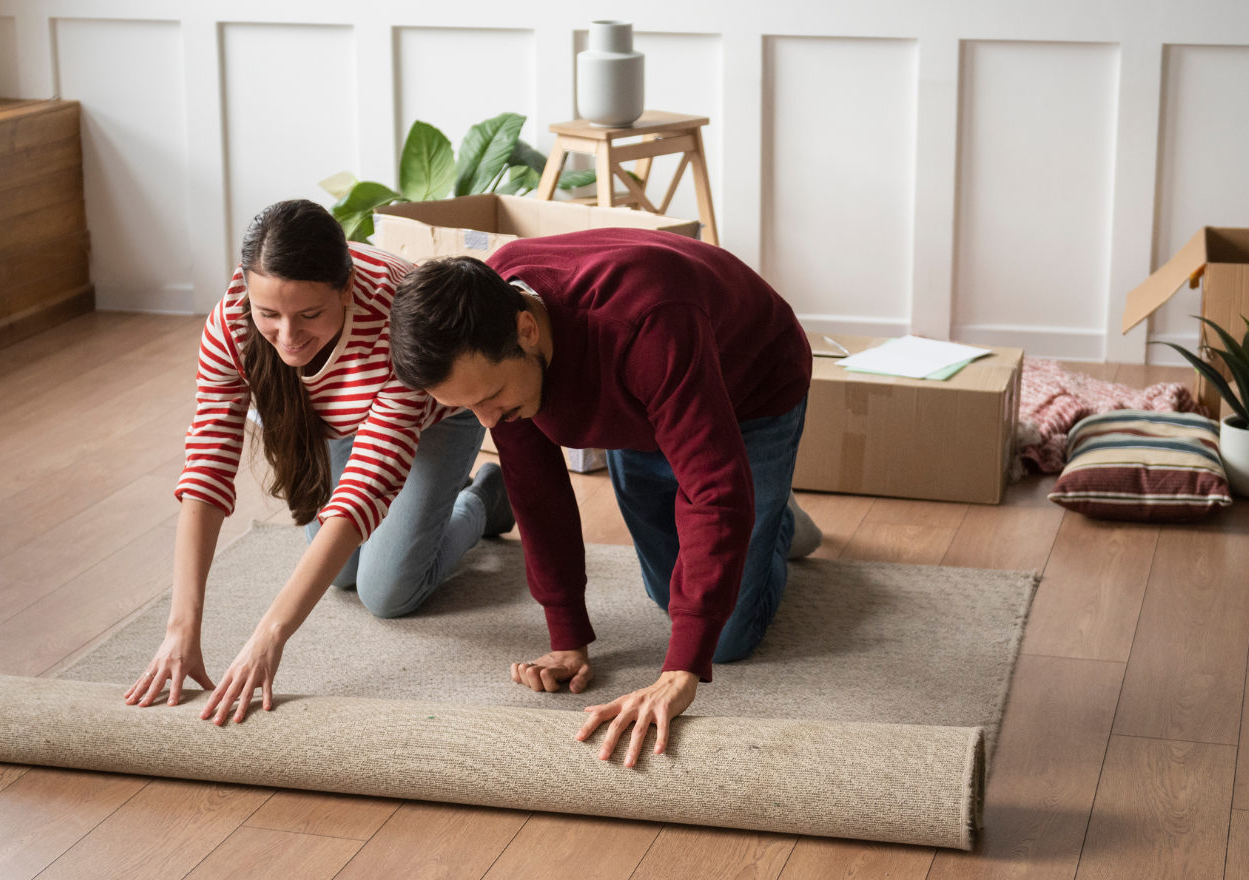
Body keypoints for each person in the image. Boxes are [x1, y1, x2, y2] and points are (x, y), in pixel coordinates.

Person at [387, 227, 814, 768]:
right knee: (671, 593)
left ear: (527, 330)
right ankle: (764, 506)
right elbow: (537, 491)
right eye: (470, 408)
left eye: (491, 398)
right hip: (640, 400)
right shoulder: (489, 330)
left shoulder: (647, 321)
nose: (488, 422)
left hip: (752, 385)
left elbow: (714, 490)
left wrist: (678, 673)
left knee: (723, 638)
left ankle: (771, 514)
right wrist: (566, 634)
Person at [124, 199, 513, 724]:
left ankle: (482, 498)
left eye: (310, 315)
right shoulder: (230, 325)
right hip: (339, 416)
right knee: (341, 574)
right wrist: (180, 629)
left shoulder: (392, 319)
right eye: (270, 315)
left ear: (347, 289)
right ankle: (434, 496)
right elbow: (207, 469)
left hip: (436, 413)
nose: (287, 337)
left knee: (386, 591)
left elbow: (365, 489)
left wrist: (269, 638)